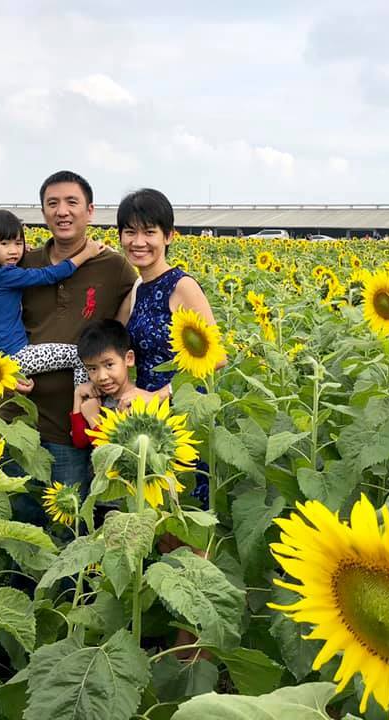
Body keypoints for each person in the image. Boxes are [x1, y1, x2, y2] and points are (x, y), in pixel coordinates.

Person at [17, 171, 138, 495]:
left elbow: (148, 301)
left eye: (72, 202)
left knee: (68, 529)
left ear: (90, 211)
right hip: (17, 421)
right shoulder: (23, 265)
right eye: (52, 203)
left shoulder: (114, 267)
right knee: (11, 525)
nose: (62, 211)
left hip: (70, 428)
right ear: (43, 212)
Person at [114, 188, 224, 507]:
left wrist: (161, 394)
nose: (139, 241)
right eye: (130, 232)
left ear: (168, 236)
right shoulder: (138, 288)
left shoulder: (181, 286)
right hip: (147, 420)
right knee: (155, 517)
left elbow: (216, 356)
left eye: (149, 232)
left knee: (186, 516)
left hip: (184, 416)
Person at [0, 208, 103, 387]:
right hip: (15, 358)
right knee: (80, 356)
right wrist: (86, 254)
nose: (13, 250)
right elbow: (49, 275)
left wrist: (20, 251)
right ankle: (82, 405)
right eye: (4, 244)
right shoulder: (5, 275)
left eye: (18, 243)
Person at [69, 320, 136, 449]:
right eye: (92, 368)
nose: (102, 377)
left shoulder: (135, 402)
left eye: (109, 365)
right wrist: (77, 396)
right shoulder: (98, 398)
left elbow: (116, 456)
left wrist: (94, 420)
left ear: (129, 359)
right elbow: (80, 441)